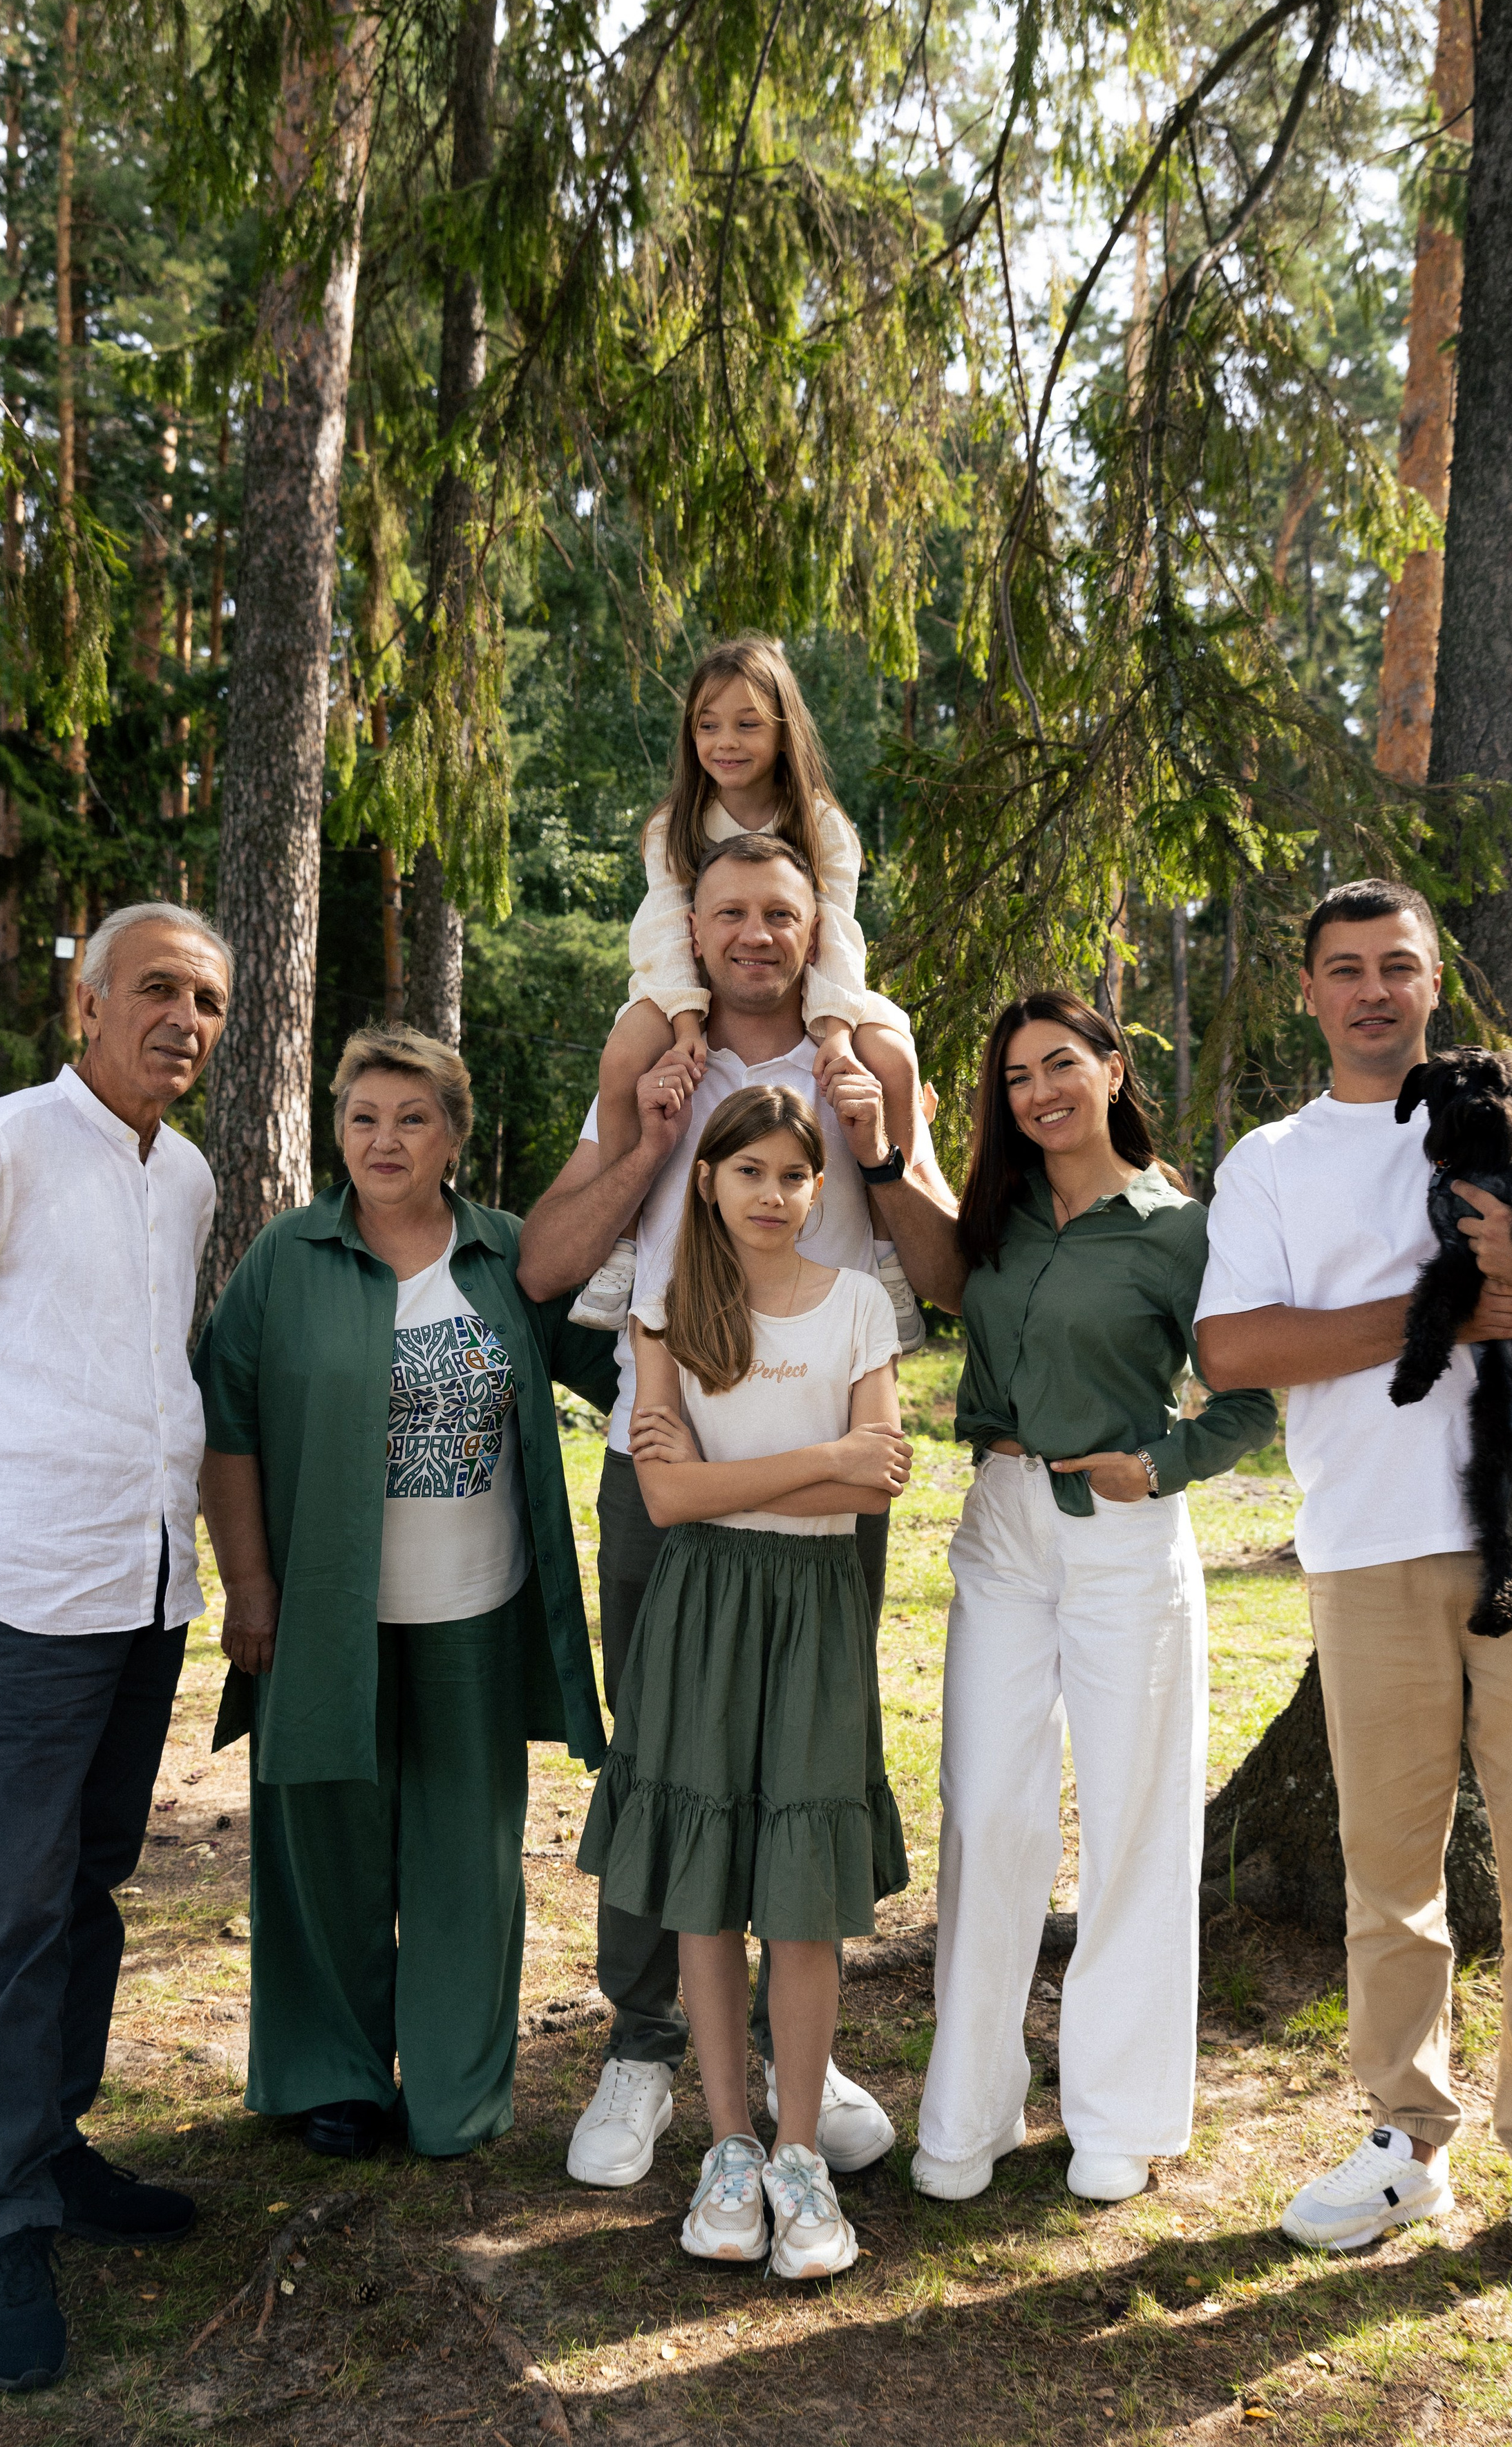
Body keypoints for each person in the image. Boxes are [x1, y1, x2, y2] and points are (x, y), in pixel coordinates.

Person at [1195, 880, 1512, 2310]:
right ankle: (1404, 2136)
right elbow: (1229, 1347)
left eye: (1395, 967)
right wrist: (1447, 1316)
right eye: (1342, 970)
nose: (1371, 992)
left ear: (1426, 982)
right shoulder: (1271, 1158)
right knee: (1387, 1867)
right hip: (1360, 1543)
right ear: (1307, 992)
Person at [518, 831, 954, 2188]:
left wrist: (878, 1153)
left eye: (781, 910)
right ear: (688, 925)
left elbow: (940, 1263)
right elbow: (543, 1256)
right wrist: (651, 1138)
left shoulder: (865, 1055)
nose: (756, 932)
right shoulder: (654, 1052)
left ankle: (790, 2051)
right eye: (729, 912)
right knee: (663, 1743)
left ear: (818, 922)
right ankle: (646, 2039)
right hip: (671, 1435)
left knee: (798, 1740)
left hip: (831, 1453)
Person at [827, 992, 1275, 2202]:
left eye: (1061, 1064)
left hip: (1127, 1530)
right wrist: (881, 1149)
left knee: (1134, 1818)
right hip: (1003, 1528)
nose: (1040, 1091)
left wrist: (1164, 1464)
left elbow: (1248, 1396)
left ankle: (1120, 2117)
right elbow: (940, 1278)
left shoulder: (1182, 1228)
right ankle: (969, 2116)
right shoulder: (1004, 1216)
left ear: (1114, 1068)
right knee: (988, 1813)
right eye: (1017, 1075)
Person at [192, 1026, 620, 2165]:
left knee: (467, 1859)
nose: (384, 1139)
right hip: (322, 1613)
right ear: (337, 1131)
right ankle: (332, 2073)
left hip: (478, 1612)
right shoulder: (288, 1256)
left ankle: (455, 2089)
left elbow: (626, 1368)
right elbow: (225, 1427)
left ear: (453, 1137)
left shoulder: (509, 1260)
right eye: (363, 1117)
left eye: (411, 1118)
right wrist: (247, 1585)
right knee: (324, 1846)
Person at [0, 901, 231, 2392]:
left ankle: (53, 2143)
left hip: (141, 1584)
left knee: (92, 1880)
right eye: (159, 988)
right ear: (87, 1006)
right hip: (17, 1588)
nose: (188, 1017)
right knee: (18, 1905)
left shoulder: (188, 1177)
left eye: (212, 1000)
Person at [576, 1084, 911, 2276]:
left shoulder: (860, 1304)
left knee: (803, 1889)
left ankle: (801, 2154)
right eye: (748, 1171)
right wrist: (819, 1456)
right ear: (709, 1182)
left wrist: (741, 1474)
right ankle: (726, 2145)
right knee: (708, 1879)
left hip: (817, 1608)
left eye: (792, 1175)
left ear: (819, 1189)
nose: (772, 1194)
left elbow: (880, 1489)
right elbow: (667, 1498)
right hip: (702, 1608)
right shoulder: (668, 1305)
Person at [567, 635, 926, 1350]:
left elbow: (839, 933)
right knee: (620, 1053)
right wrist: (683, 1020)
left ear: (783, 729)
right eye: (707, 723)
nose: (724, 741)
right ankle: (622, 1247)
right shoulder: (674, 825)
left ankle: (890, 1260)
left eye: (746, 722)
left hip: (817, 979)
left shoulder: (821, 824)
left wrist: (835, 1028)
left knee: (888, 1057)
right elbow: (667, 930)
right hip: (689, 985)